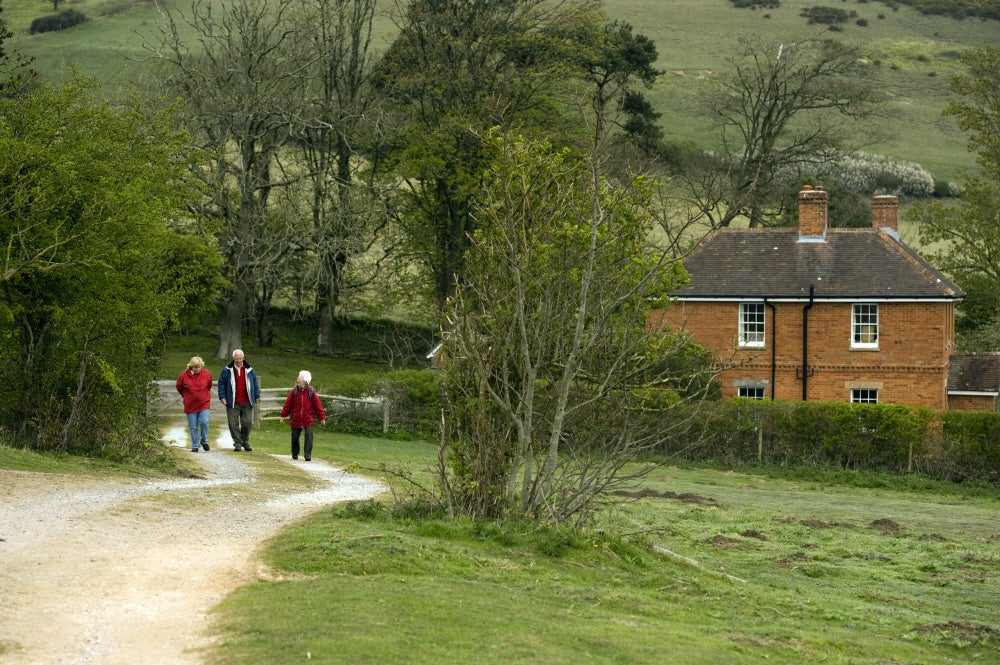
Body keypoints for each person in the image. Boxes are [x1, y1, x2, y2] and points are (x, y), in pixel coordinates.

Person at [217, 349, 261, 452]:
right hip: (232, 401)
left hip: (247, 401)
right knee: (233, 423)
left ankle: (245, 441)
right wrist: (222, 397)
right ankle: (237, 442)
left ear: (243, 358)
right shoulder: (227, 370)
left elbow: (255, 383)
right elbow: (221, 384)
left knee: (247, 422)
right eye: (237, 359)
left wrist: (257, 395)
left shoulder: (249, 370)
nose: (239, 360)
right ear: (233, 358)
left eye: (240, 358)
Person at [279, 370, 326, 461]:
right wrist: (283, 415)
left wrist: (322, 417)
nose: (298, 378)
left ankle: (307, 455)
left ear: (304, 380)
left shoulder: (311, 392)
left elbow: (318, 405)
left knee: (309, 436)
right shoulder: (294, 391)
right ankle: (295, 453)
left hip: (308, 419)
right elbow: (287, 404)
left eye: (300, 377)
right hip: (296, 418)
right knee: (295, 437)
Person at [175, 356, 213, 453]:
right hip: (190, 404)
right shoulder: (183, 375)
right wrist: (186, 396)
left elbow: (209, 385)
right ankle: (195, 445)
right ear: (191, 366)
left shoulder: (206, 374)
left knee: (204, 422)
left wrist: (203, 394)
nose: (198, 369)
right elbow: (179, 387)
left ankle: (204, 441)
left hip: (204, 403)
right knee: (193, 426)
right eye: (196, 367)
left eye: (199, 367)